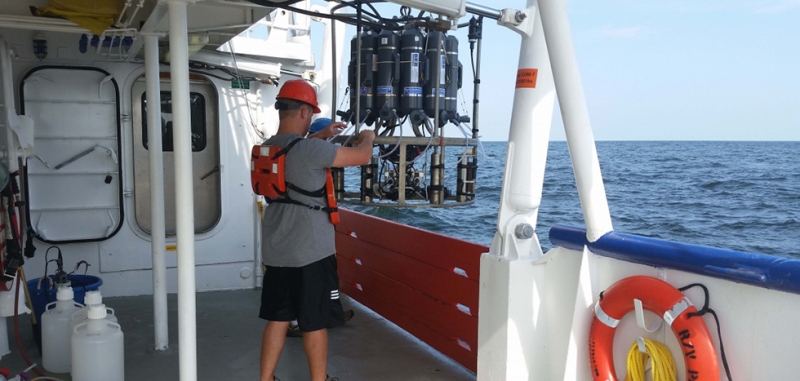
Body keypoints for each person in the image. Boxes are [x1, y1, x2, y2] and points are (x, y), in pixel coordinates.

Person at [259, 79, 375, 381]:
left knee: (278, 317)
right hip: (311, 251)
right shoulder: (311, 150)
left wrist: (322, 135)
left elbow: (295, 153)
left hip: (277, 249)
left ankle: (265, 378)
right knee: (314, 321)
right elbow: (362, 157)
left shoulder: (265, 148)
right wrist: (368, 137)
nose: (311, 118)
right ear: (302, 111)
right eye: (311, 113)